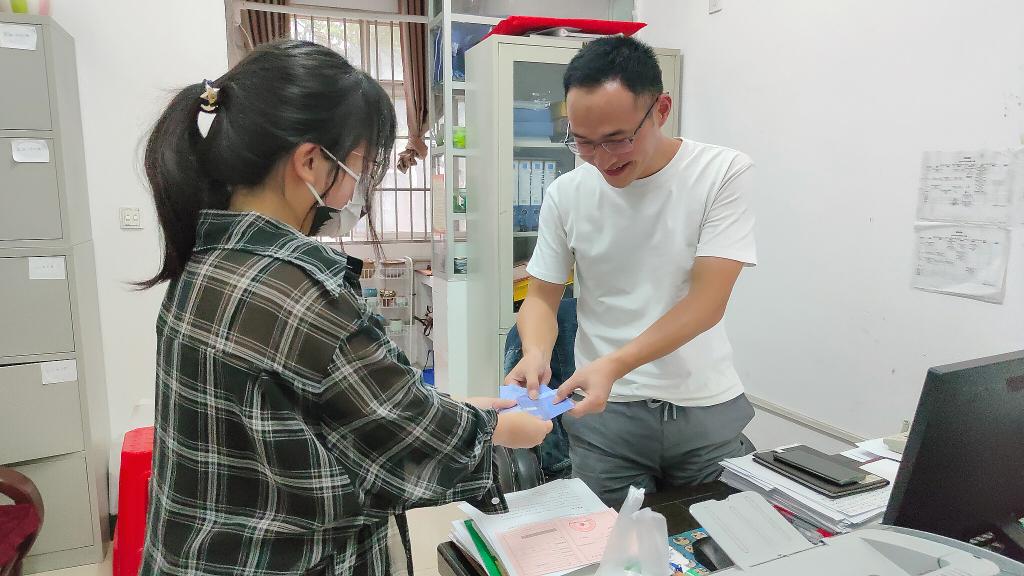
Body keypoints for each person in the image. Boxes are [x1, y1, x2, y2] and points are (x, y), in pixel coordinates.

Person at [137, 40, 551, 576]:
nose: (362, 186)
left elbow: (325, 416)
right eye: (361, 164)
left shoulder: (207, 258)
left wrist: (462, 408)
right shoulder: (302, 294)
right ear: (310, 161)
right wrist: (500, 429)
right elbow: (402, 436)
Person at [506, 36, 757, 509]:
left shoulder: (721, 172)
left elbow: (707, 303)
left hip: (704, 407)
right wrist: (536, 351)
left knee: (726, 537)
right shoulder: (566, 193)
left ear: (661, 109)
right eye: (583, 142)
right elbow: (540, 297)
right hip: (606, 417)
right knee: (602, 541)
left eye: (618, 139)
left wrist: (616, 364)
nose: (602, 159)